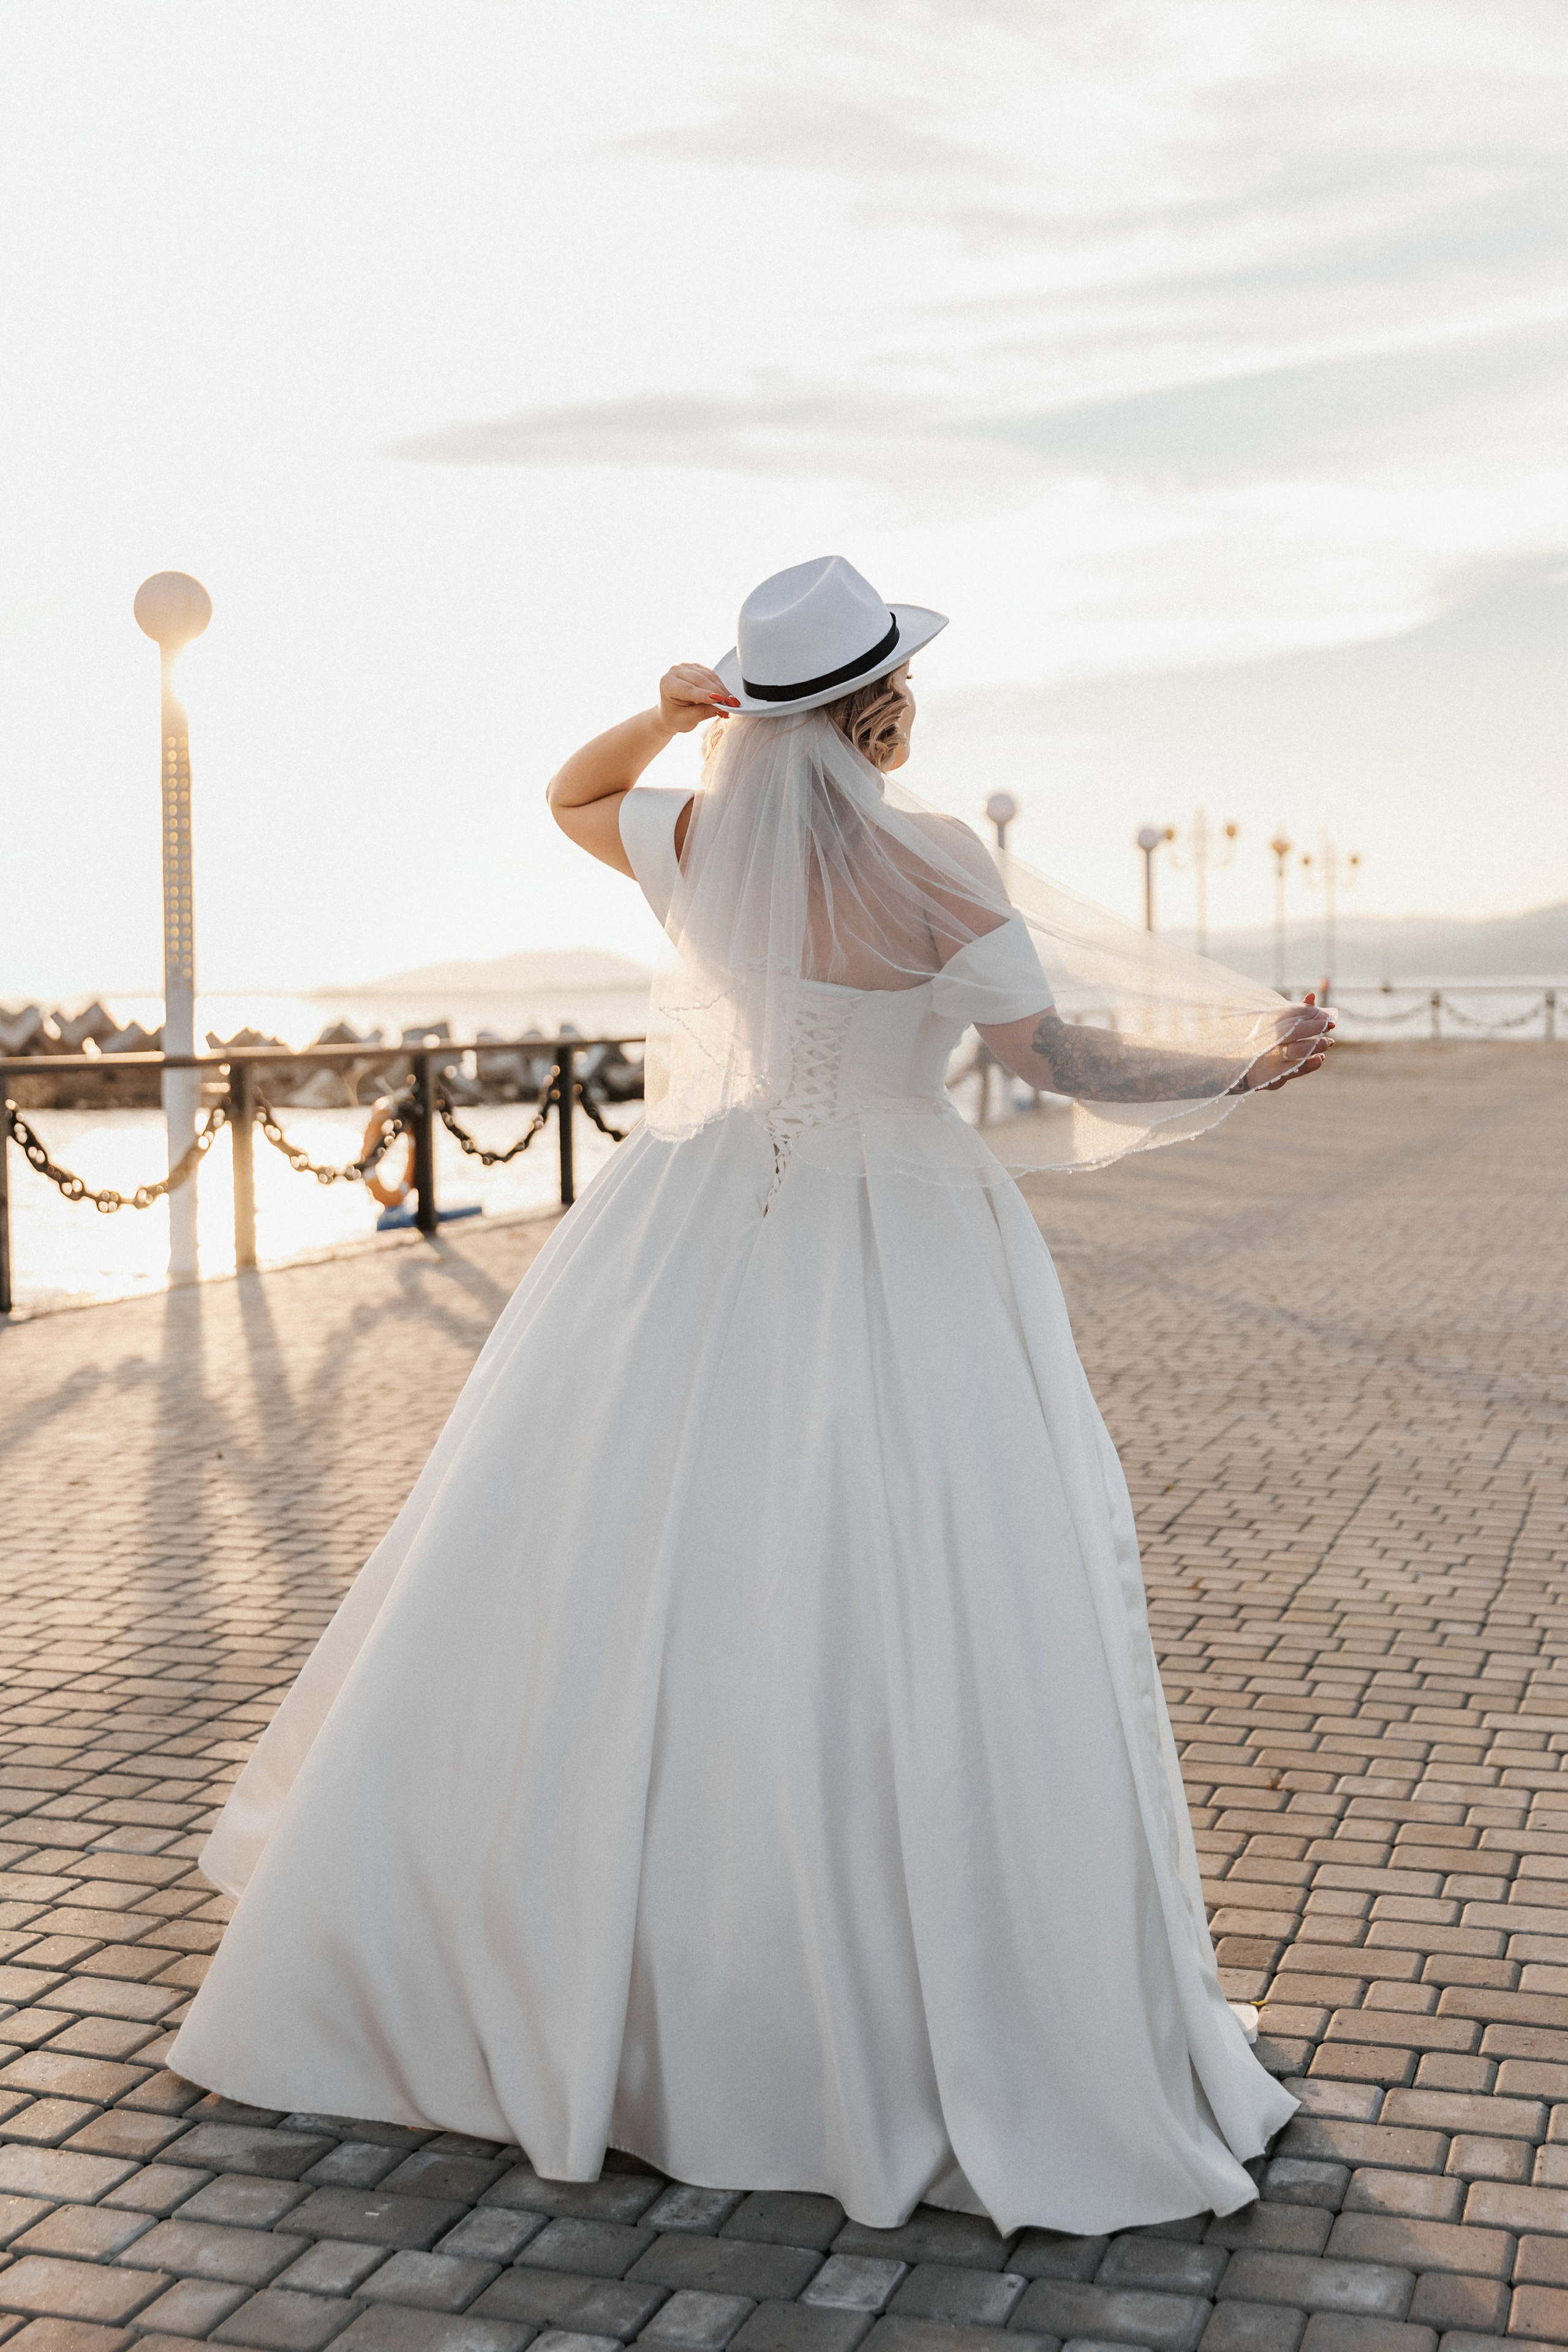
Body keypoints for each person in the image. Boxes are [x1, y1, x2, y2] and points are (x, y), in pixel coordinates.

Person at [170, 557, 1330, 2234]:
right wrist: (1251, 1060)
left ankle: (605, 1996)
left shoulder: (701, 840)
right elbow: (1058, 1067)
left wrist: (663, 710)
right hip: (901, 1234)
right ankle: (889, 2014)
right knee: (911, 1590)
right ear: (892, 706)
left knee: (633, 1580)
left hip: (689, 1226)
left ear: (758, 711)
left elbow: (569, 792)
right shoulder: (942, 862)